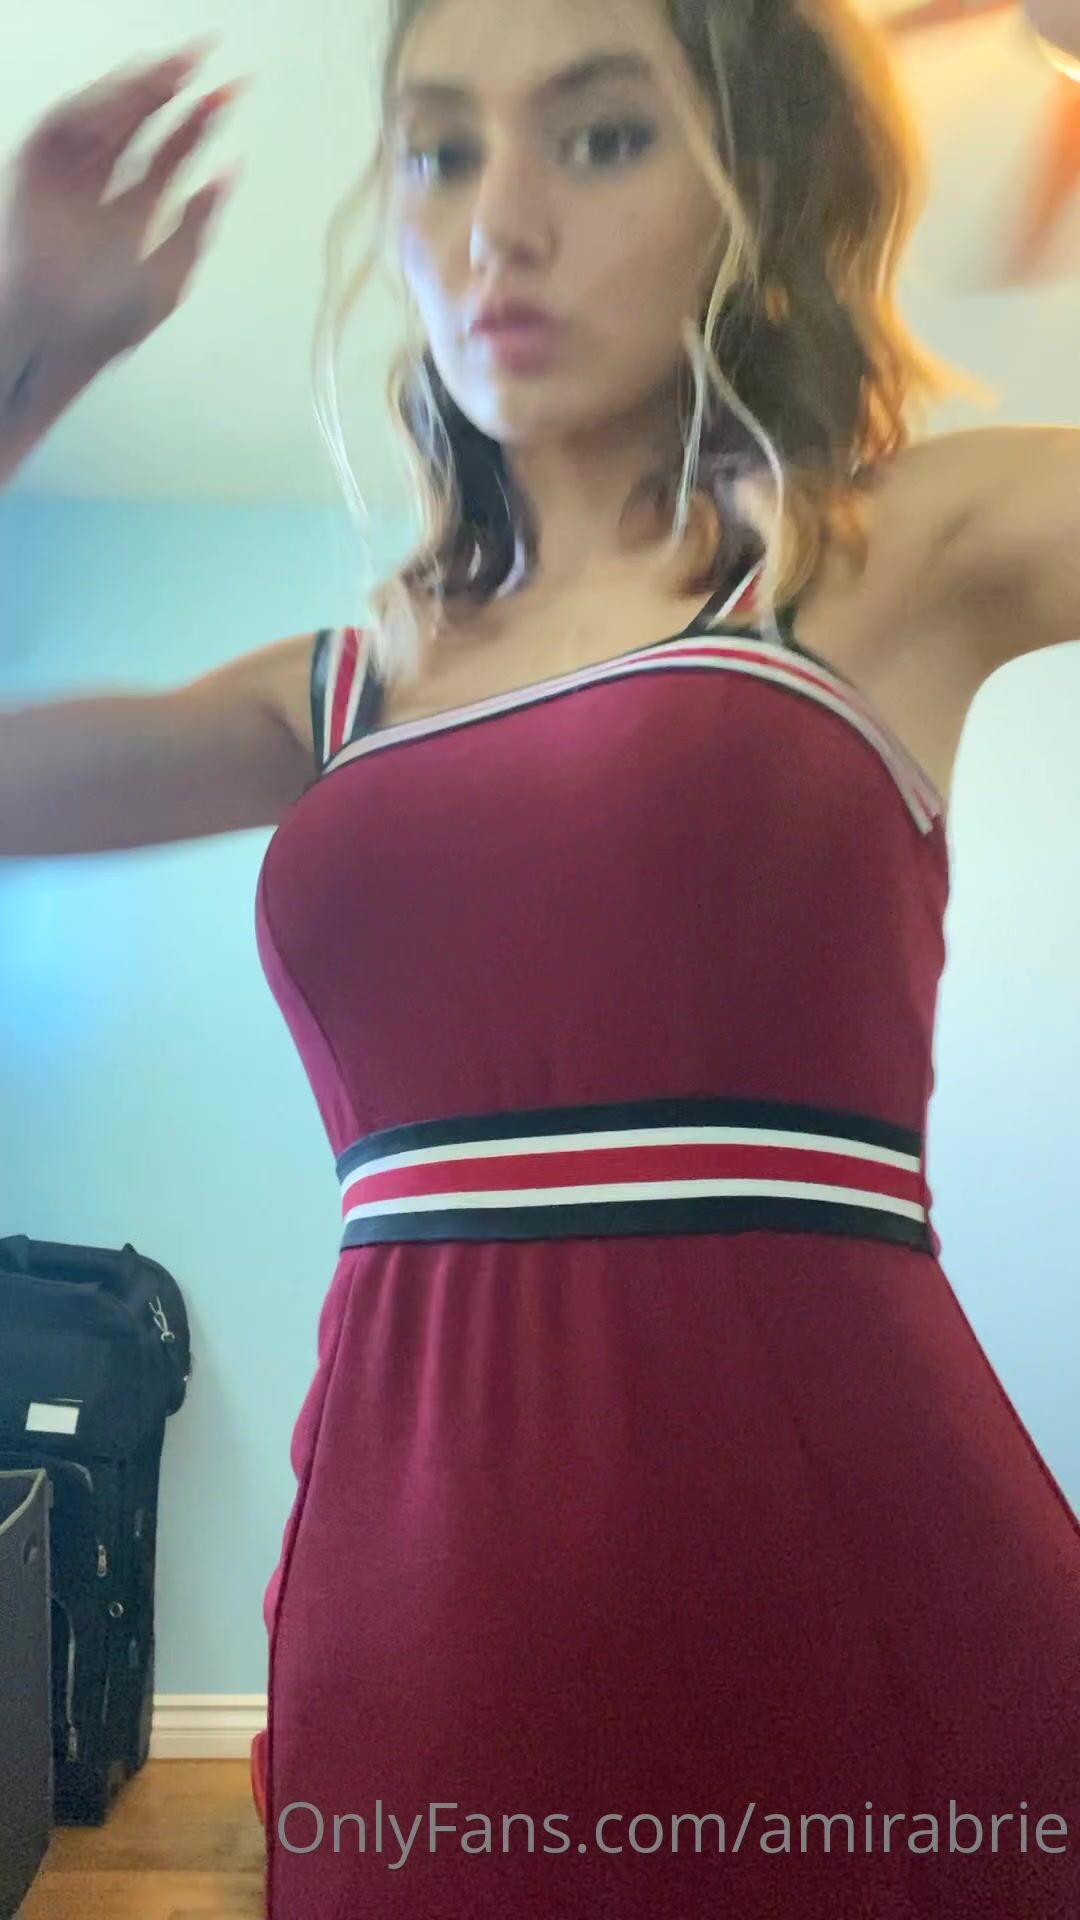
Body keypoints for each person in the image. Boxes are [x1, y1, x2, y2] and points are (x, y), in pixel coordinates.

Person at [1, 3, 1078, 1915]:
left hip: (844, 1585)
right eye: (440, 149)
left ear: (754, 191)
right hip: (407, 1603)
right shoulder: (336, 693)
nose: (497, 221)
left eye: (600, 137)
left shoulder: (891, 550)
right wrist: (25, 343)